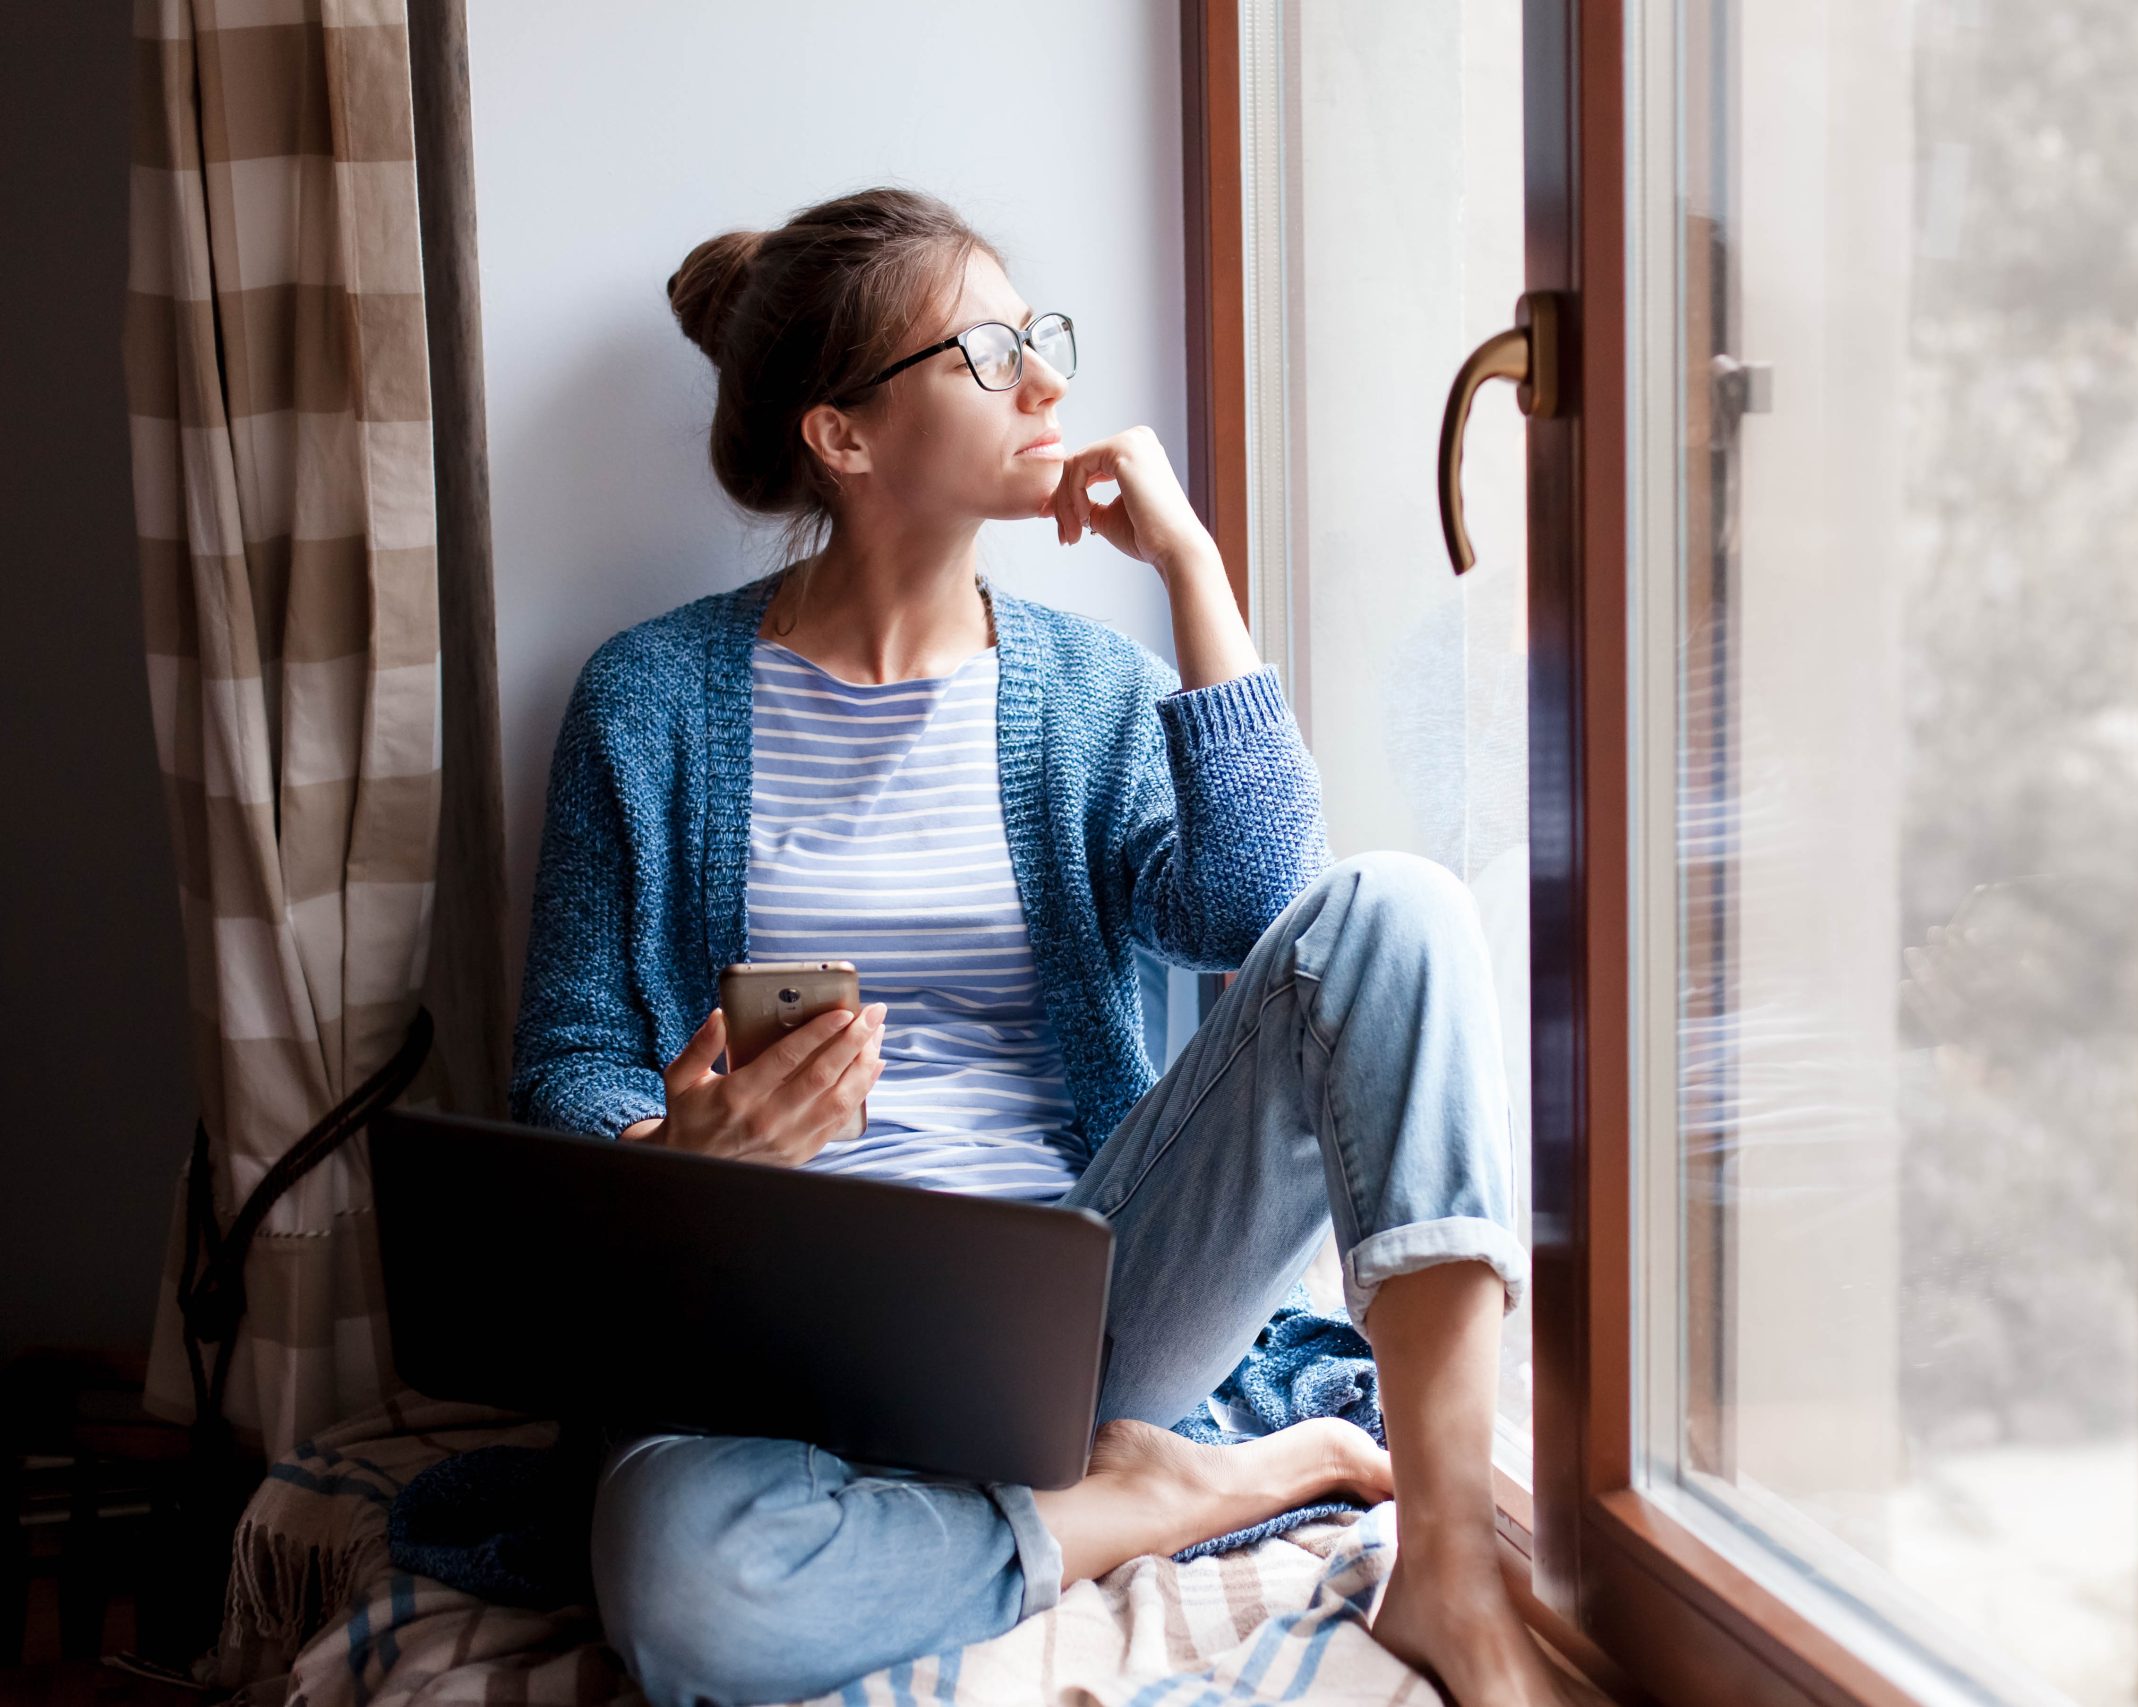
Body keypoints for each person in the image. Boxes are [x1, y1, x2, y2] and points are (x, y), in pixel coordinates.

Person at [510, 186, 1570, 1707]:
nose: (1047, 384)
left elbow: (1256, 916)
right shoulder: (646, 701)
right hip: (773, 1341)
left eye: (1040, 338)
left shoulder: (1082, 691)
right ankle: (1159, 1496)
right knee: (684, 1581)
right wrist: (684, 1155)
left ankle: (1454, 1572)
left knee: (1398, 908)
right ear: (845, 436)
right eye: (988, 350)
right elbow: (568, 1054)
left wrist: (1190, 567)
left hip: (1085, 1303)